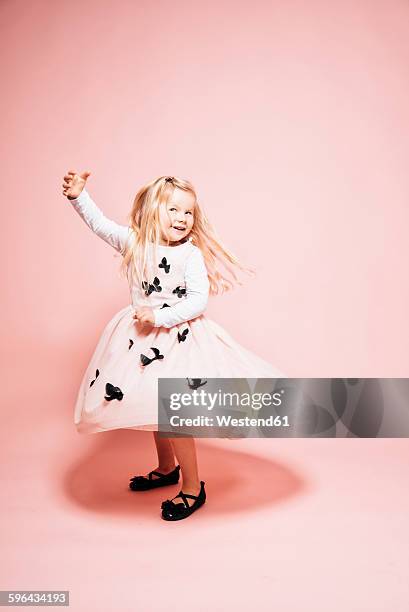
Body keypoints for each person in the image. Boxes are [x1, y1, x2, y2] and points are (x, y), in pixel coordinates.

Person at [62, 170, 284, 521]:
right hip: (141, 341)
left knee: (175, 413)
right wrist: (78, 197)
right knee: (151, 405)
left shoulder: (189, 255)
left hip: (181, 339)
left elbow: (198, 301)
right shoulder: (134, 243)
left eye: (188, 212)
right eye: (174, 210)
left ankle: (193, 488)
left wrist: (160, 317)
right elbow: (99, 225)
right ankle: (167, 468)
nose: (182, 219)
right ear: (153, 211)